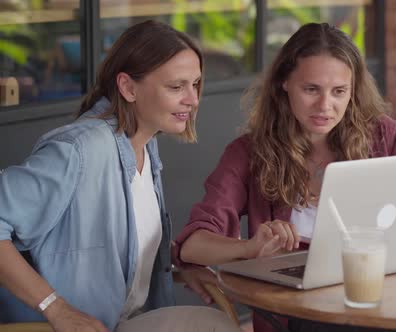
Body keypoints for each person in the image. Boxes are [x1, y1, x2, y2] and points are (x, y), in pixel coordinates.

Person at [174, 22, 396, 331]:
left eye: (339, 91)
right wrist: (249, 249)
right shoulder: (250, 153)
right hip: (301, 314)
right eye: (311, 89)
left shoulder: (383, 136)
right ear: (284, 83)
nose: (325, 106)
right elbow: (193, 245)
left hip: (390, 299)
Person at [0, 20, 239, 332]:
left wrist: (174, 268)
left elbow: (122, 248)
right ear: (128, 87)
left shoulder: (145, 146)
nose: (193, 99)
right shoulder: (79, 150)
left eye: (195, 84)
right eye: (176, 86)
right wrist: (56, 308)